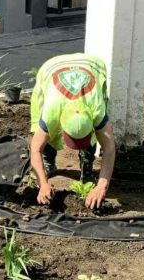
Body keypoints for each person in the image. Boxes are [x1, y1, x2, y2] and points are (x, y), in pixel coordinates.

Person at [29, 53, 116, 210]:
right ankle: (49, 163)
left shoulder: (96, 109)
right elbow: (35, 148)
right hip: (51, 67)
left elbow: (109, 148)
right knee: (43, 131)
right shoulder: (51, 111)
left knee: (99, 135)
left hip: (92, 64)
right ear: (62, 126)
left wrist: (101, 187)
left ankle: (87, 169)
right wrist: (42, 184)